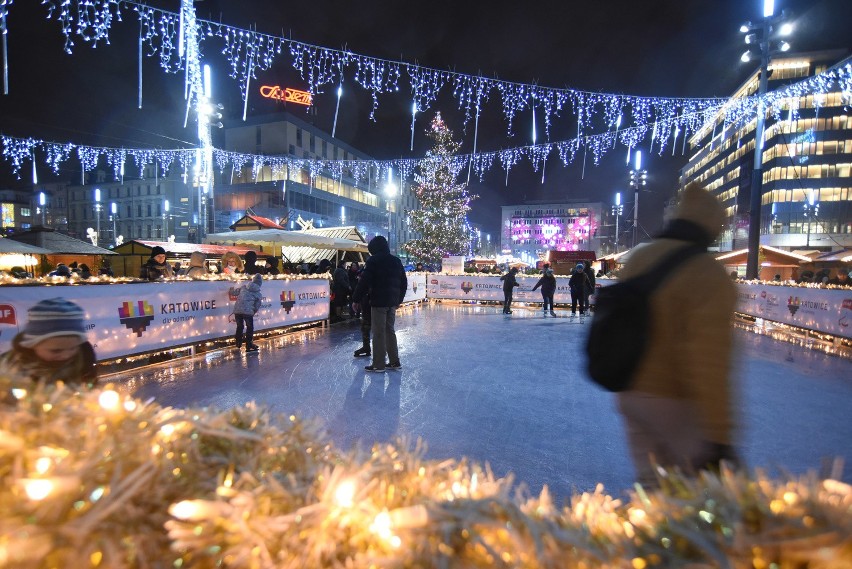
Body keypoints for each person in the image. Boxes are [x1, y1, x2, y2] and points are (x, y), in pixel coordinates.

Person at [615, 182, 738, 486]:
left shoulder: (639, 257)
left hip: (629, 390)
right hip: (672, 398)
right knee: (704, 497)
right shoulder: (707, 272)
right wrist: (719, 435)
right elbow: (708, 359)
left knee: (652, 487)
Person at [0, 297, 97, 386]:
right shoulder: (9, 368)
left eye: (73, 348)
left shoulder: (84, 355)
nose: (66, 355)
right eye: (56, 351)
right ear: (33, 344)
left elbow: (90, 383)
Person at [351, 235, 407, 373]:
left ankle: (378, 364)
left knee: (378, 333)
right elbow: (404, 283)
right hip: (391, 302)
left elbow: (364, 281)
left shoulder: (373, 261)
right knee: (390, 331)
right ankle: (394, 361)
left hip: (379, 302)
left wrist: (356, 299)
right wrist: (398, 300)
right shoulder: (396, 261)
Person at [233, 274, 263, 352]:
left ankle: (238, 342)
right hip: (248, 312)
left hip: (237, 311)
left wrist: (230, 290)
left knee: (239, 326)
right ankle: (249, 345)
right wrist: (253, 311)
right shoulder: (258, 293)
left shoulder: (243, 287)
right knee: (249, 327)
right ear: (260, 284)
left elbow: (234, 292)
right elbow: (257, 305)